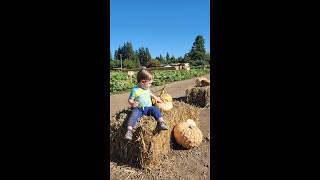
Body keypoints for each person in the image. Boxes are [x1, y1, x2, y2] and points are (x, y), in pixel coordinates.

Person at [124, 69, 168, 141]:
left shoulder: (147, 88)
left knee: (155, 110)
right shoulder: (135, 90)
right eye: (150, 83)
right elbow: (130, 99)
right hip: (139, 109)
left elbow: (150, 93)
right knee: (133, 115)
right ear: (143, 82)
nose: (150, 85)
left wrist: (156, 98)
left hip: (149, 107)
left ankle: (162, 122)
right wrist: (133, 103)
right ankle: (129, 131)